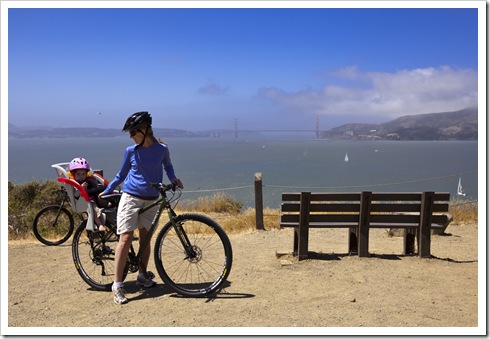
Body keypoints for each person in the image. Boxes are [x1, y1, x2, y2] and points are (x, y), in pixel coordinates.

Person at [99, 111, 183, 305]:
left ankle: (142, 275)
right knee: (126, 238)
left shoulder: (162, 149)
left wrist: (173, 179)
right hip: (131, 198)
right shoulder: (131, 151)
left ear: (145, 130)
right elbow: (121, 175)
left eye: (133, 132)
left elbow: (168, 166)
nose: (131, 136)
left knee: (145, 239)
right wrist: (108, 190)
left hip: (151, 199)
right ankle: (117, 285)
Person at [68, 157, 107, 232]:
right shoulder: (75, 184)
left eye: (83, 174)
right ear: (73, 174)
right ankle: (100, 225)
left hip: (94, 198)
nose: (81, 176)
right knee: (94, 210)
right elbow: (76, 195)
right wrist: (80, 188)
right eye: (78, 174)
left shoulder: (89, 180)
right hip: (85, 202)